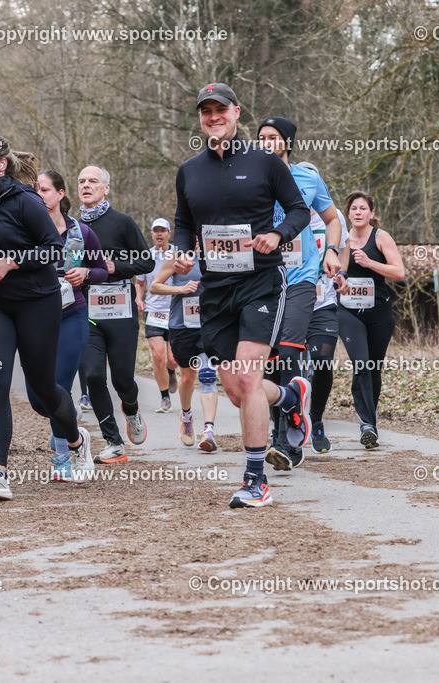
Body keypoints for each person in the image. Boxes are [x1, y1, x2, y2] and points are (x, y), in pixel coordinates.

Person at [174, 82, 312, 508]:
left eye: (220, 109)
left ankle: (256, 480)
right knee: (236, 391)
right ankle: (291, 397)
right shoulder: (189, 170)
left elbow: (299, 210)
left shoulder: (266, 163)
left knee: (250, 378)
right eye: (205, 111)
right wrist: (181, 251)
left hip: (260, 283)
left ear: (236, 112)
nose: (213, 117)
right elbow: (183, 221)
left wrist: (276, 233)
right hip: (215, 291)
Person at [0, 135, 91, 500]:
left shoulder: (25, 201)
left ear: (2, 165)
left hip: (36, 302)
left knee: (43, 387)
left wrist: (11, 261)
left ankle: (78, 442)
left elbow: (53, 248)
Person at [256, 118, 347, 471]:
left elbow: (333, 218)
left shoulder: (308, 178)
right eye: (260, 138)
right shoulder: (249, 177)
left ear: (287, 143)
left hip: (302, 276)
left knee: (291, 347)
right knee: (267, 356)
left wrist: (332, 250)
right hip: (262, 277)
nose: (265, 143)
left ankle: (284, 437)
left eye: (272, 138)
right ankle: (290, 411)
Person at [24, 169, 109, 482]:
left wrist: (85, 274)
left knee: (59, 384)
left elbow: (103, 270)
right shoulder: (27, 232)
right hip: (37, 317)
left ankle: (63, 455)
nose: (40, 196)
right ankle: (71, 430)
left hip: (72, 313)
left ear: (60, 194)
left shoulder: (82, 232)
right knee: (38, 397)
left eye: (45, 190)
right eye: (36, 191)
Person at [77, 165, 154, 464]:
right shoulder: (72, 227)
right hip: (88, 311)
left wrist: (116, 268)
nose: (87, 185)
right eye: (82, 181)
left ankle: (131, 408)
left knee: (122, 379)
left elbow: (146, 261)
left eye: (93, 181)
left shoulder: (122, 222)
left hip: (121, 310)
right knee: (94, 375)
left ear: (106, 188)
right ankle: (113, 441)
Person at [336, 191, 404, 449]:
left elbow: (399, 272)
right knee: (361, 364)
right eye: (353, 208)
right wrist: (339, 281)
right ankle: (365, 423)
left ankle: (371, 424)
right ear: (348, 213)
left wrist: (369, 262)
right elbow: (337, 271)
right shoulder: (342, 239)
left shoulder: (381, 237)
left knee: (373, 368)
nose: (358, 212)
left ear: (371, 213)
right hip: (349, 312)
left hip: (379, 313)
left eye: (363, 208)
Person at [299, 160, 349, 454]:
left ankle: (316, 421)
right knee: (284, 365)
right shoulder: (283, 214)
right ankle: (285, 421)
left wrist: (341, 274)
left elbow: (342, 253)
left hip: (323, 301)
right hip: (290, 300)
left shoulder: (334, 218)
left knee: (322, 363)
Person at [150, 248, 220, 449]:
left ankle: (209, 432)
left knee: (207, 375)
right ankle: (186, 416)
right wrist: (180, 289)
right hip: (182, 325)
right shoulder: (178, 257)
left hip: (209, 324)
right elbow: (155, 286)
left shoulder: (218, 256)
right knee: (188, 378)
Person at [135, 218, 179, 412]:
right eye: (156, 231)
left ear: (169, 233)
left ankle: (171, 371)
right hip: (154, 311)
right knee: (158, 355)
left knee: (173, 359)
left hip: (176, 311)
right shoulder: (147, 256)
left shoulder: (178, 254)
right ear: (151, 234)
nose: (159, 234)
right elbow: (140, 282)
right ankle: (164, 397)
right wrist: (138, 298)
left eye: (163, 230)